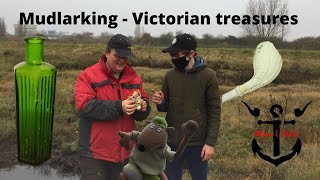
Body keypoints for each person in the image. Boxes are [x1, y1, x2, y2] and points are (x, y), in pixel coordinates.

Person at [74, 34, 151, 180]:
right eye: (118, 55)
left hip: (126, 152)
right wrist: (119, 107)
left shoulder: (134, 77)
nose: (122, 60)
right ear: (107, 52)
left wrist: (142, 107)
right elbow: (85, 106)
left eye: (126, 56)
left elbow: (143, 109)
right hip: (95, 154)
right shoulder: (87, 76)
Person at [151, 33, 221, 180]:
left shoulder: (209, 76)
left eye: (177, 55)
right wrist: (160, 102)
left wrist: (210, 143)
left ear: (192, 53)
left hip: (197, 143)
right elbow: (165, 106)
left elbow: (215, 111)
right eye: (171, 55)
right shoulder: (170, 75)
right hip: (172, 142)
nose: (173, 59)